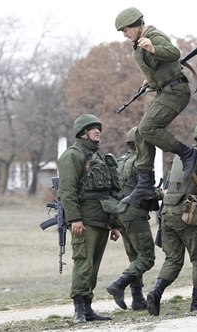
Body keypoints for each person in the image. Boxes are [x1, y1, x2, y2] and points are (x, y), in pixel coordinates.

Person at [114, 7, 197, 206]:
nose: (125, 35)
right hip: (165, 90)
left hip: (176, 91)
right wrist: (150, 81)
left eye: (126, 30)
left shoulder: (152, 36)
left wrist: (153, 48)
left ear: (136, 26)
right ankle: (145, 184)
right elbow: (157, 66)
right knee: (140, 132)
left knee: (147, 128)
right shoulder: (138, 43)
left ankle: (188, 154)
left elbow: (173, 53)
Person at [145, 123, 197, 316]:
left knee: (173, 259)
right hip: (187, 213)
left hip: (167, 213)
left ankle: (156, 292)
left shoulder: (182, 156)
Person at [57, 114, 121, 324]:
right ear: (82, 132)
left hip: (102, 219)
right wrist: (75, 218)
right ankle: (79, 310)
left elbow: (111, 191)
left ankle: (88, 307)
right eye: (92, 128)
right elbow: (67, 191)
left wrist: (114, 223)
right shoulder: (73, 156)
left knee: (93, 267)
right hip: (84, 221)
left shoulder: (100, 157)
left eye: (98, 128)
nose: (97, 131)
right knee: (83, 265)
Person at [106, 127, 160, 311]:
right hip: (135, 214)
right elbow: (147, 192)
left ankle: (137, 299)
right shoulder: (140, 162)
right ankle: (119, 285)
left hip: (120, 213)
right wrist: (163, 193)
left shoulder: (119, 162)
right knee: (147, 257)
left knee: (135, 257)